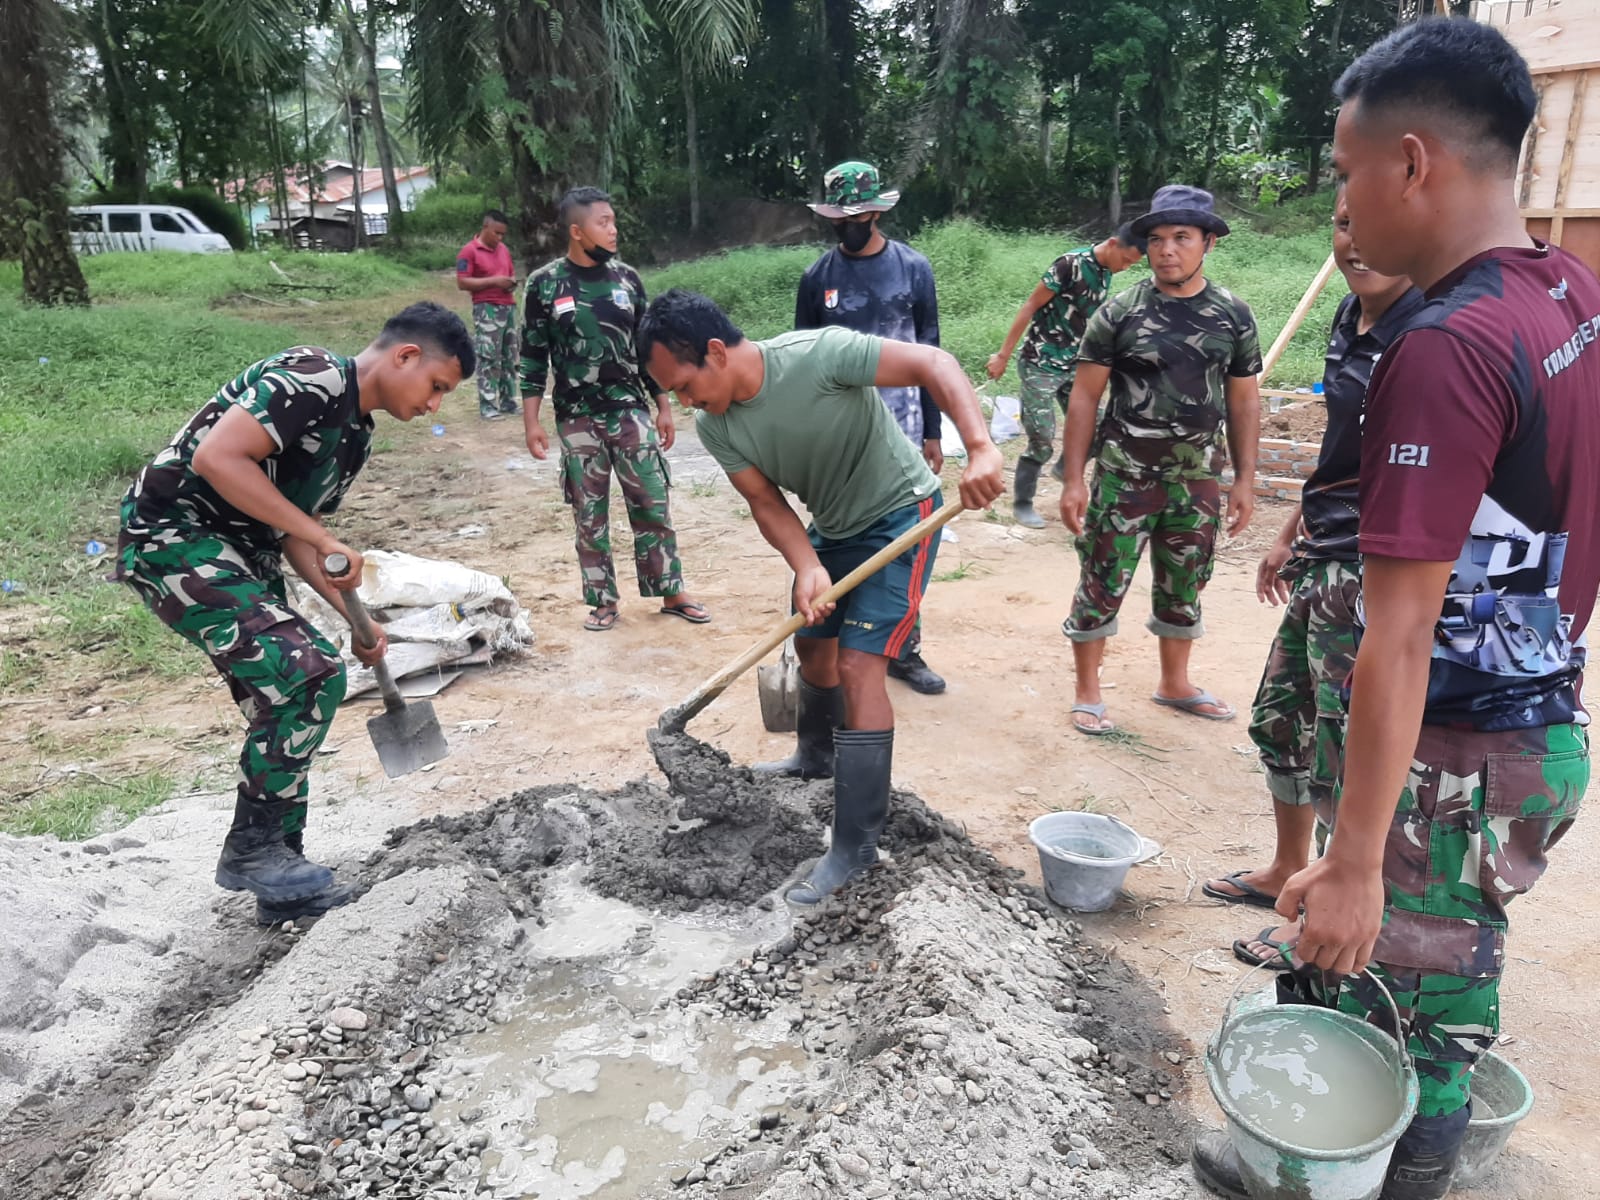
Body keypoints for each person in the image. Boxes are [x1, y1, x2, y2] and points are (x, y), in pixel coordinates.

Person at [1192, 20, 1600, 1200]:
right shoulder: (1566, 290)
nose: (1343, 202)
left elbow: (1398, 631)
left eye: (1341, 173)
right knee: (1359, 971)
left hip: (1457, 754)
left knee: (1415, 1024)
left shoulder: (1443, 345)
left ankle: (1376, 1179)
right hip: (1526, 720)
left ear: (1410, 163)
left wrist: (1360, 855)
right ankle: (1298, 1160)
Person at [111, 303, 475, 925]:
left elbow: (294, 534)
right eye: (437, 386)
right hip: (174, 534)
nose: (435, 404)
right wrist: (323, 538)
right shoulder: (313, 377)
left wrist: (358, 621)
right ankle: (253, 851)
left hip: (240, 553)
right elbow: (217, 460)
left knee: (286, 692)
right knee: (306, 673)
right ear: (405, 356)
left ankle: (285, 879)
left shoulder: (355, 435)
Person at [638, 288, 1004, 905]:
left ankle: (856, 845)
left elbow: (932, 364)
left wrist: (982, 446)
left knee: (862, 665)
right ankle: (815, 757)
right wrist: (805, 564)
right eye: (670, 393)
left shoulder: (820, 354)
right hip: (833, 529)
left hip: (898, 517)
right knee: (812, 649)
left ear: (717, 353)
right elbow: (765, 501)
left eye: (682, 385)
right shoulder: (718, 425)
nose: (681, 402)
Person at [1202, 191, 1423, 966]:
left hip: (1373, 569)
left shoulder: (1423, 335)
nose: (1353, 243)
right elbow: (1340, 450)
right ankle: (1287, 870)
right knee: (1281, 720)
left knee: (1342, 746)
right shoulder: (1350, 320)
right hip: (1323, 552)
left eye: (1370, 224)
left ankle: (1321, 913)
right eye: (1341, 225)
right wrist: (1290, 531)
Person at [1058, 184, 1262, 736]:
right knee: (1102, 578)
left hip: (1197, 479)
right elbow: (1084, 397)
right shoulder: (1118, 313)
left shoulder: (1232, 315)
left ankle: (1175, 683)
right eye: (1156, 239)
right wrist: (1074, 478)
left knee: (1186, 581)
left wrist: (1245, 479)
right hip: (1124, 476)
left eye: (1181, 238)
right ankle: (1088, 691)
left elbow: (1243, 399)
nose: (1167, 249)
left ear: (1207, 244)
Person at [520, 186, 709, 632]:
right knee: (589, 514)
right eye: (602, 222)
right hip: (577, 418)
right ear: (576, 230)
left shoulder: (627, 279)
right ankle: (602, 600)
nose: (612, 229)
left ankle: (671, 590)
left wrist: (662, 404)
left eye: (613, 221)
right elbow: (531, 356)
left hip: (630, 411)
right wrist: (532, 422)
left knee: (652, 502)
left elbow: (649, 353)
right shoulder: (545, 284)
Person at [795, 160, 948, 695]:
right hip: (840, 437)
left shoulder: (912, 269)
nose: (849, 224)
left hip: (902, 430)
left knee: (907, 543)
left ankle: (905, 650)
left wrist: (933, 431)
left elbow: (930, 353)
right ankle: (842, 650)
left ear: (878, 211)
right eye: (840, 217)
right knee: (842, 537)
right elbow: (802, 361)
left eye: (858, 215)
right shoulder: (817, 279)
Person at [987, 226, 1148, 527]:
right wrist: (1003, 356)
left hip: (1075, 364)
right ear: (1112, 244)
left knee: (1101, 428)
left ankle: (1064, 469)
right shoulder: (1069, 265)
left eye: (1132, 264)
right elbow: (1030, 306)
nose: (1126, 267)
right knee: (1042, 438)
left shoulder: (1105, 272)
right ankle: (1022, 503)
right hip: (1040, 362)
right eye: (1126, 260)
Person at [455, 210, 520, 420]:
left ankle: (509, 401)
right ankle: (489, 405)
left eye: (503, 234)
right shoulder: (469, 251)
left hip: (508, 307)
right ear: (485, 227)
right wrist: (494, 281)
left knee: (509, 357)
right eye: (496, 233)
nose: (499, 238)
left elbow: (508, 274)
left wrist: (510, 283)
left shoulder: (504, 250)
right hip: (486, 308)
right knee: (489, 357)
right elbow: (462, 282)